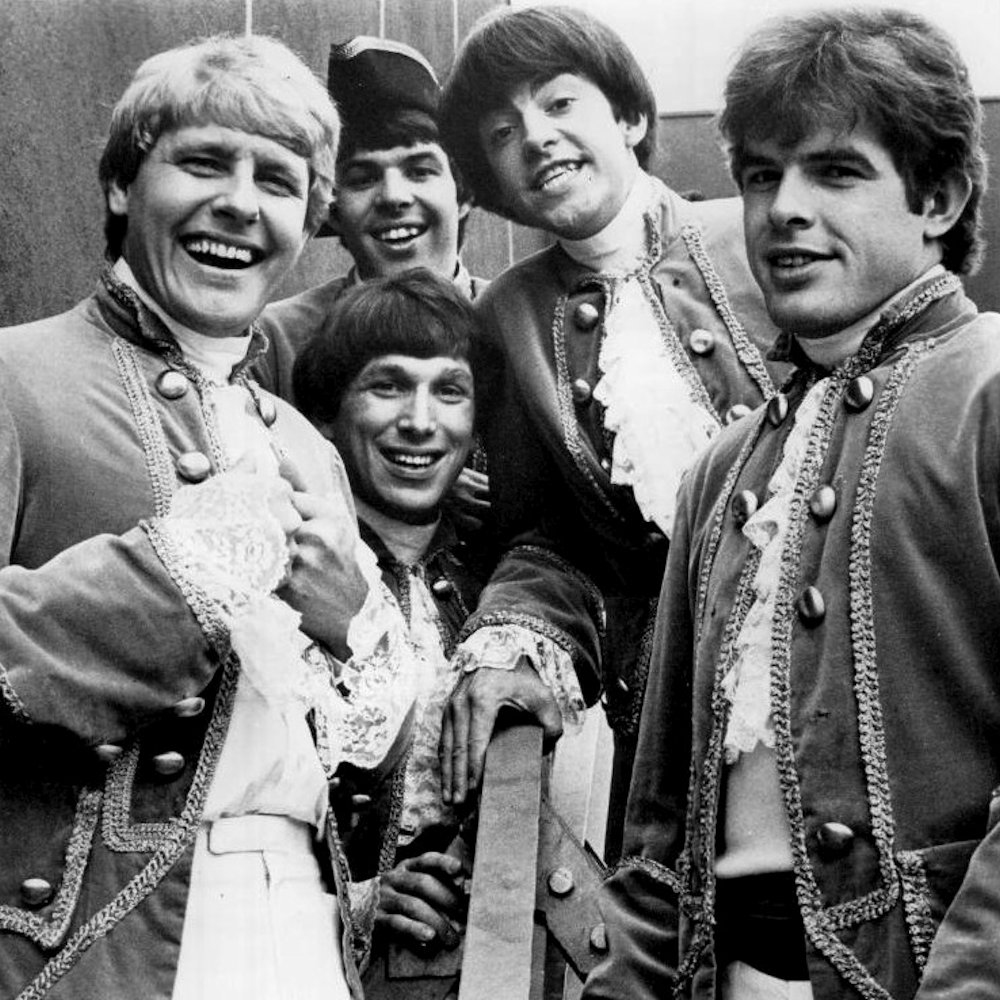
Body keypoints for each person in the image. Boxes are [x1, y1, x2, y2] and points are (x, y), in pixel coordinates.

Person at [583, 8, 996, 999]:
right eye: (762, 175)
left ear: (938, 198)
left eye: (835, 172)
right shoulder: (721, 472)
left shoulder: (987, 391)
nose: (783, 209)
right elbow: (659, 827)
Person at [0, 34, 404, 1000]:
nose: (240, 202)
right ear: (121, 186)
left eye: (278, 180)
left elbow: (362, 751)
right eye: (204, 162)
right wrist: (181, 572)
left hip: (306, 924)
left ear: (307, 221)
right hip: (93, 947)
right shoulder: (14, 376)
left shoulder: (304, 443)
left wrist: (355, 631)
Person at [437, 4, 786, 856]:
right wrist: (515, 636)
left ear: (628, 117)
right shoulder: (507, 316)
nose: (537, 137)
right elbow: (547, 537)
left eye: (560, 103)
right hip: (668, 716)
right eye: (502, 132)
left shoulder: (755, 231)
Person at [292, 268, 493, 986]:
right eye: (388, 385)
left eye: (450, 391)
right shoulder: (283, 574)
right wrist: (355, 901)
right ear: (328, 414)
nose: (419, 421)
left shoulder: (499, 586)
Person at [253, 35, 486, 403]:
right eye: (363, 178)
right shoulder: (274, 343)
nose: (393, 196)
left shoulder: (514, 321)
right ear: (332, 209)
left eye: (419, 171)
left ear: (464, 193)